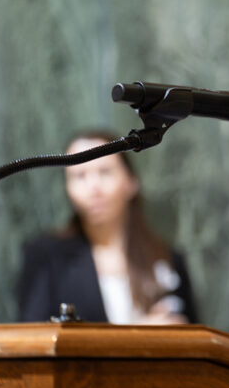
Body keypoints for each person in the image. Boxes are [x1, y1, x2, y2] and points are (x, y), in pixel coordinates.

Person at [18, 130, 198, 325]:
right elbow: (32, 338)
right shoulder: (46, 258)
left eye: (105, 172)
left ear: (131, 182)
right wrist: (137, 336)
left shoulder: (167, 257)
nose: (93, 187)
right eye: (79, 176)